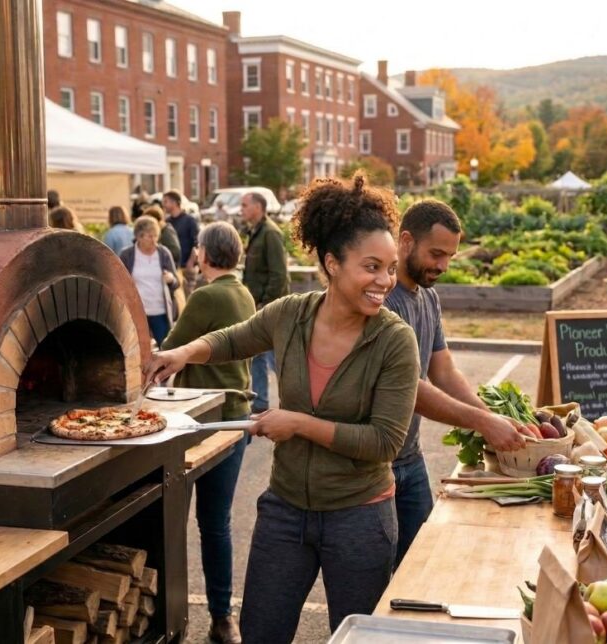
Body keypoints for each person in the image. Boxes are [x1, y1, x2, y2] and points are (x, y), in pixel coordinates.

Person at [144, 173, 419, 643]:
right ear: (332, 263)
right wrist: (183, 353)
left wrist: (299, 424)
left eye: (390, 267)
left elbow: (384, 442)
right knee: (261, 632)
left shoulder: (394, 340)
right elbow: (234, 338)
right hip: (286, 510)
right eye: (371, 266)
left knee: (355, 638)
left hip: (360, 516)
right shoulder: (291, 314)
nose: (385, 281)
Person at [385, 199, 530, 566]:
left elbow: (443, 371)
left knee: (420, 564)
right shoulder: (384, 302)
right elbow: (410, 390)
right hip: (377, 464)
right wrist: (483, 422)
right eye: (436, 254)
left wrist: (494, 417)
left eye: (450, 256)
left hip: (410, 457)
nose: (443, 266)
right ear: (405, 241)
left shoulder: (428, 298)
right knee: (378, 578)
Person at [160, 222, 255, 644]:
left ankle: (170, 618)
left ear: (204, 254)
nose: (194, 253)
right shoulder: (242, 291)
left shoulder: (206, 295)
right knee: (215, 523)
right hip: (237, 416)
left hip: (203, 420)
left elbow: (171, 350)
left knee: (174, 522)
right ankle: (222, 619)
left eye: (197, 248)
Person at [240, 191, 290, 414]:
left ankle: (293, 404)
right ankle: (260, 402)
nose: (241, 209)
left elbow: (279, 274)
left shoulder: (270, 233)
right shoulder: (256, 231)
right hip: (257, 306)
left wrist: (266, 304)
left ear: (258, 207)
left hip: (269, 308)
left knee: (277, 359)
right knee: (258, 355)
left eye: (244, 205)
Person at [120, 215, 179, 346]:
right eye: (150, 236)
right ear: (139, 237)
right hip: (136, 313)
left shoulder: (163, 253)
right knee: (137, 351)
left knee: (166, 348)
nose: (154, 240)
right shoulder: (127, 255)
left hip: (160, 312)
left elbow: (176, 283)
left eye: (156, 236)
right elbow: (118, 284)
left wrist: (170, 279)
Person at [163, 190, 201, 296]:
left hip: (187, 267)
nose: (164, 205)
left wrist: (191, 261)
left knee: (189, 296)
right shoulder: (167, 222)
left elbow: (197, 243)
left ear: (174, 203)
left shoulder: (190, 221)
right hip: (173, 268)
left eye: (166, 202)